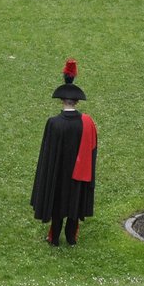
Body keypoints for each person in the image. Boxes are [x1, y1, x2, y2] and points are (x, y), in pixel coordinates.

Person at [31, 60, 97, 246]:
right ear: (76, 101)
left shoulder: (53, 123)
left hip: (58, 173)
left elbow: (47, 153)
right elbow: (92, 152)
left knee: (58, 204)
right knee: (74, 204)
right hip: (78, 175)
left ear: (62, 101)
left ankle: (54, 238)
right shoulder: (87, 123)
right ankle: (71, 237)